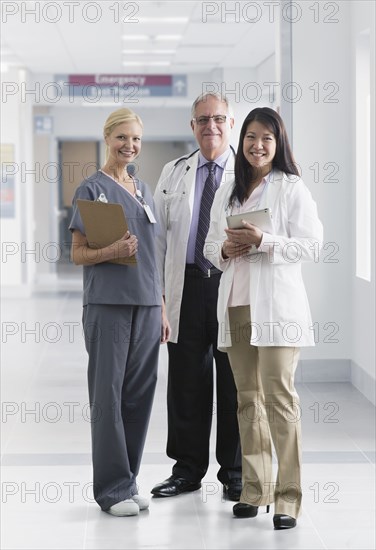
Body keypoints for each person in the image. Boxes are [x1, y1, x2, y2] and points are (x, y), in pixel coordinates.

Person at [205, 107, 323, 529]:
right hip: (237, 303)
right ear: (243, 142)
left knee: (279, 399)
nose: (257, 145)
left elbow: (311, 245)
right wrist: (224, 250)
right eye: (252, 137)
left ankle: (289, 499)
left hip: (277, 308)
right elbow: (209, 246)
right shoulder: (229, 190)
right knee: (247, 400)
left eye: (267, 139)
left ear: (278, 144)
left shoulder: (291, 188)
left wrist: (265, 241)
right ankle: (256, 490)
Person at [69, 108, 170, 517]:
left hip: (147, 304)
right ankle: (110, 491)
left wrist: (162, 306)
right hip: (108, 305)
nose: (130, 146)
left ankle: (128, 481)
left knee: (139, 397)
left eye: (137, 140)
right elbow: (77, 254)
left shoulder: (144, 190)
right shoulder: (92, 189)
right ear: (107, 138)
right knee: (108, 397)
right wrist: (112, 251)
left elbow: (153, 256)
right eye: (122, 138)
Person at [151, 92, 242, 500]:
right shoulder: (173, 171)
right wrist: (159, 300)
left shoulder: (251, 173)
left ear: (231, 123)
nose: (211, 126)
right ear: (192, 126)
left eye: (219, 118)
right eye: (203, 119)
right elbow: (157, 242)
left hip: (230, 286)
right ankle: (186, 470)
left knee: (234, 380)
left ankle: (235, 473)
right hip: (185, 285)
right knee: (186, 382)